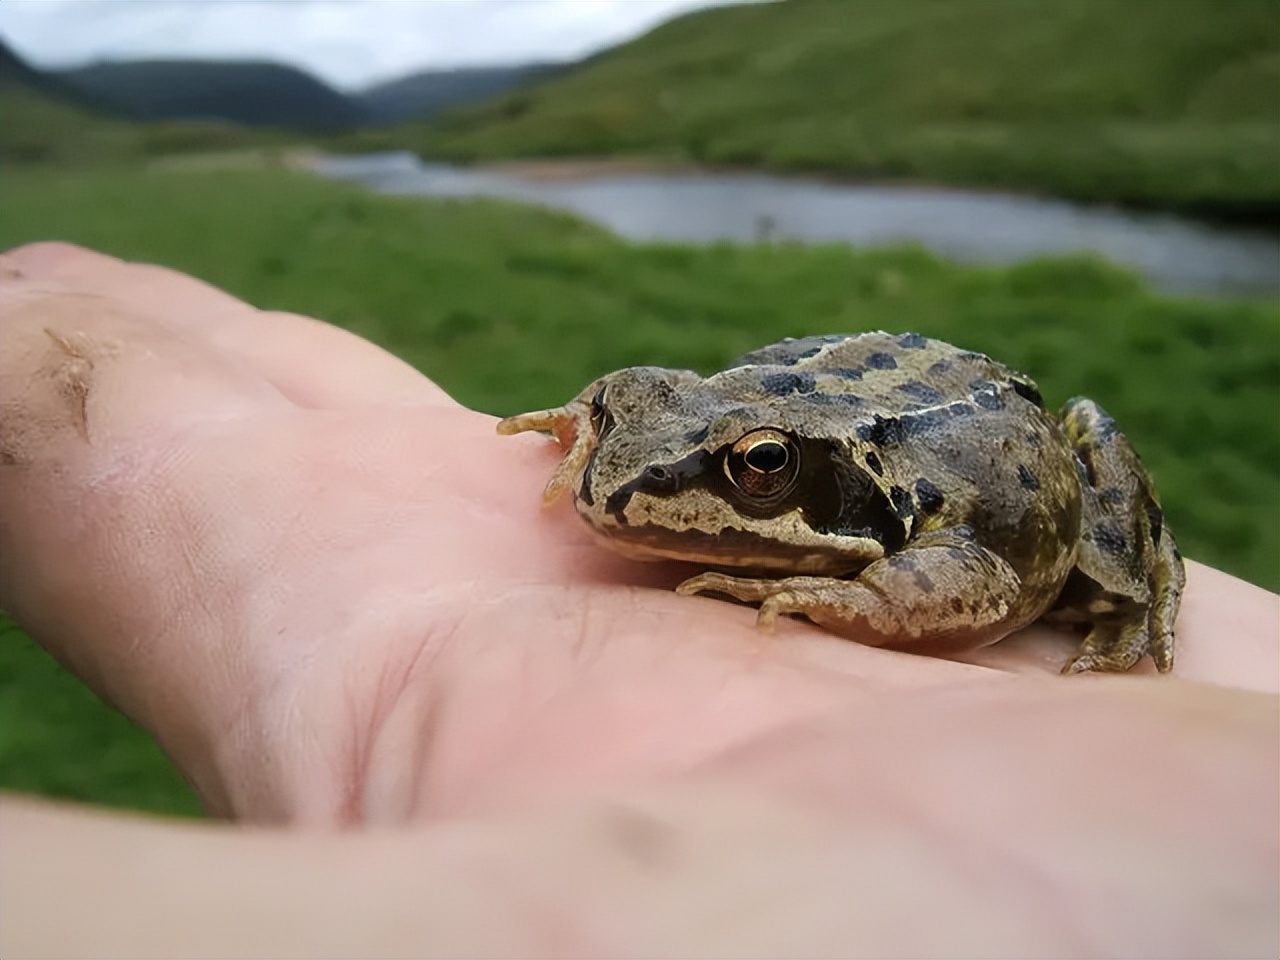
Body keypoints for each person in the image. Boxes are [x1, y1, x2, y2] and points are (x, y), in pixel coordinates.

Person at [1, 242, 1275, 957]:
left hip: (971, 441)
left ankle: (1135, 601)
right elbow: (652, 397)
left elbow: (988, 576)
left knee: (1089, 478)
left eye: (750, 474)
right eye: (611, 431)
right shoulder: (658, 434)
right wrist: (609, 409)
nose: (614, 489)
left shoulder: (903, 514)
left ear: (789, 478)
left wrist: (854, 603)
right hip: (824, 388)